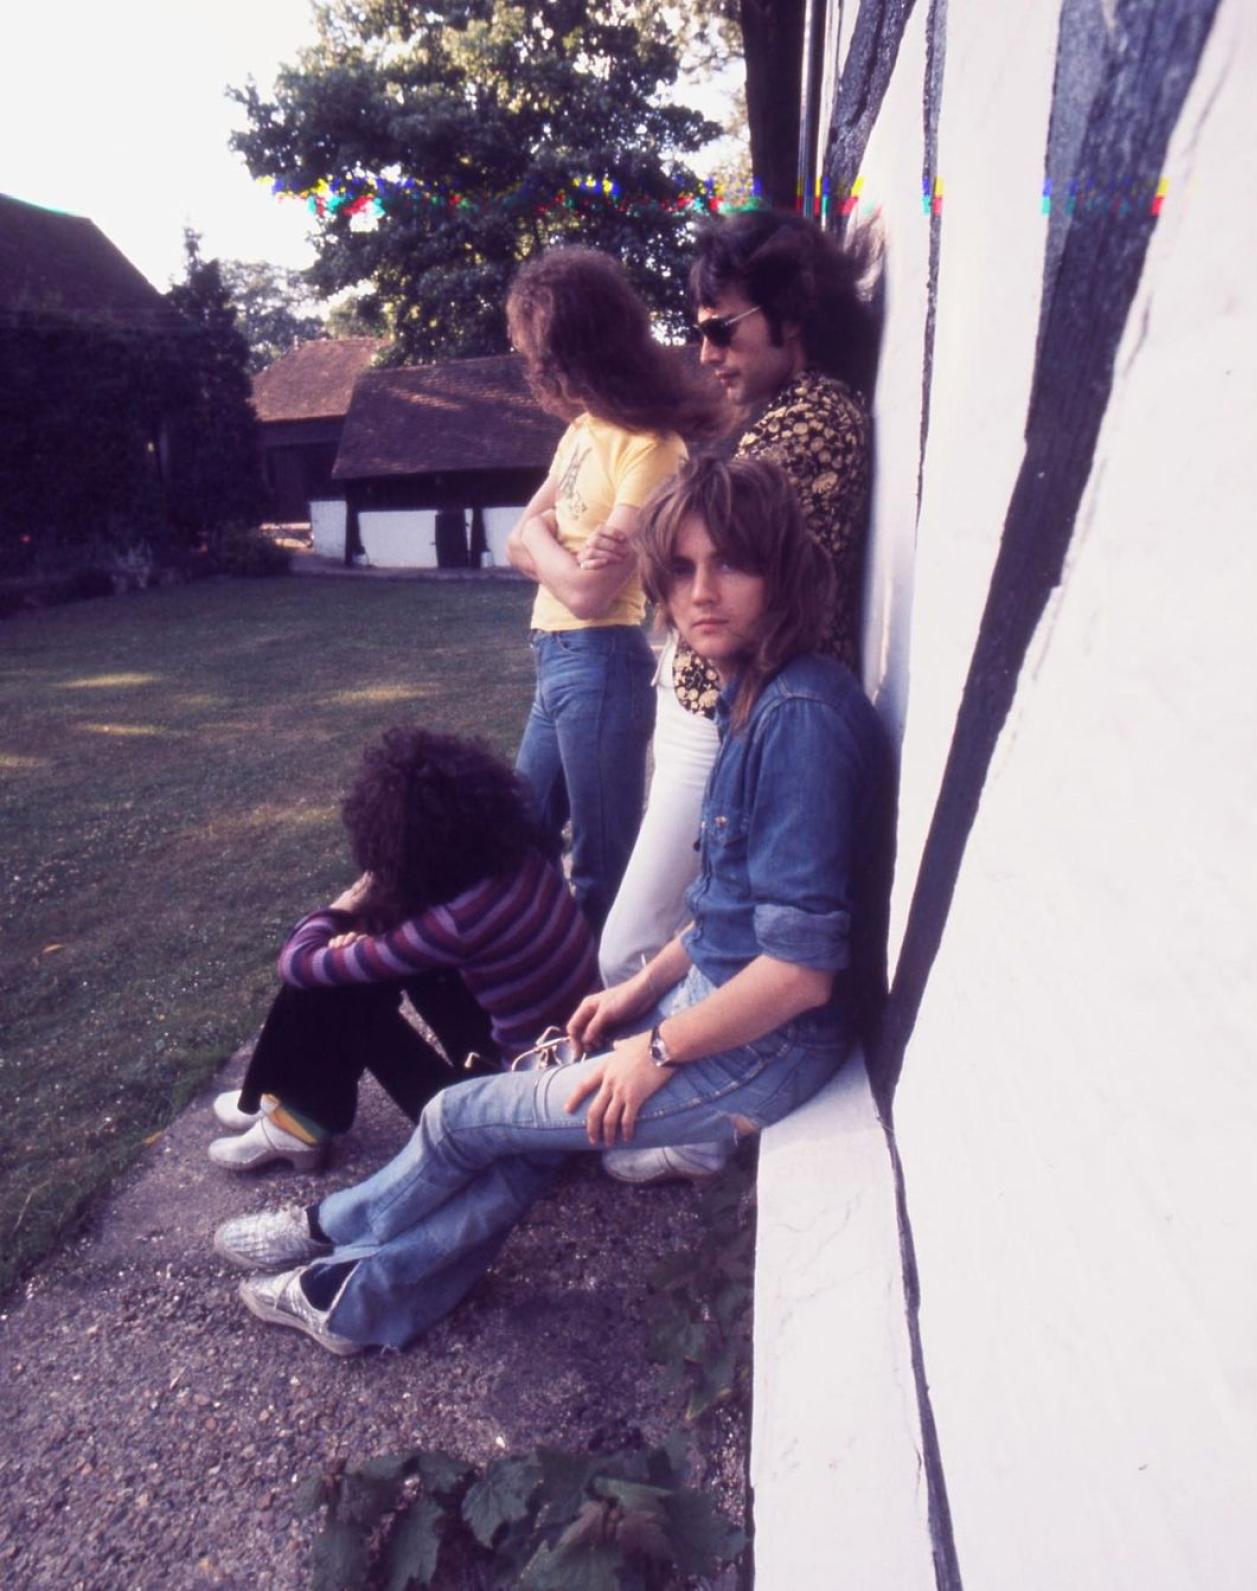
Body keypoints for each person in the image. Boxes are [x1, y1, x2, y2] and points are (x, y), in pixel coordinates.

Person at [213, 455, 892, 1356]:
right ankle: (356, 1302)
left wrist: (655, 1050)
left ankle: (327, 1229)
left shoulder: (800, 716)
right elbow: (731, 911)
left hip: (765, 1046)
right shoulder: (754, 695)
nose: (701, 593)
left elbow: (801, 973)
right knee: (529, 1138)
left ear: (782, 574)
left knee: (460, 1115)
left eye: (731, 563)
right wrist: (635, 992)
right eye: (680, 568)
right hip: (721, 1011)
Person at [592, 208, 881, 1183]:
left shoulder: (814, 421)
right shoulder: (777, 418)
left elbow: (682, 550)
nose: (704, 352)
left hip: (747, 718)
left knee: (634, 945)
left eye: (721, 329)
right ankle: (683, 1115)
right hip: (715, 708)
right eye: (698, 331)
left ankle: (695, 1128)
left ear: (792, 318)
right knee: (668, 936)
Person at [207, 728, 597, 1172]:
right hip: (557, 1057)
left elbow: (295, 963)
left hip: (515, 1114)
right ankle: (283, 1101)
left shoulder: (456, 923)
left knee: (340, 986)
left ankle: (295, 1121)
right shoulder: (516, 855)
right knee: (366, 950)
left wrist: (342, 907)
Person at [502, 245, 722, 943]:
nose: (538, 373)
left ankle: (601, 998)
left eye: (540, 356)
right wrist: (543, 541)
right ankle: (545, 970)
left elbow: (590, 594)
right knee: (518, 834)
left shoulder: (653, 448)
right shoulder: (580, 433)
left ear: (577, 352)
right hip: (554, 659)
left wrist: (542, 538)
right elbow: (515, 541)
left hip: (600, 662)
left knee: (603, 866)